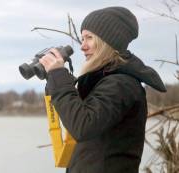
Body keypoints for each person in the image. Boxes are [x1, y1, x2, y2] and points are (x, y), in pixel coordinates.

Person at [39, 6, 167, 173]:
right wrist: (55, 81)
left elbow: (82, 126)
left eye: (89, 38)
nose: (82, 46)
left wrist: (59, 76)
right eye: (82, 38)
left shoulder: (121, 84)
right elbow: (76, 117)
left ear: (109, 41)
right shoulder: (104, 81)